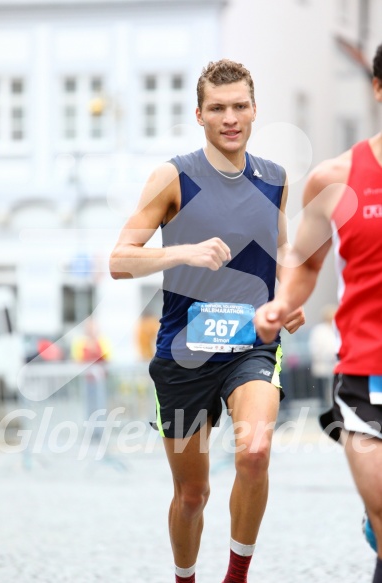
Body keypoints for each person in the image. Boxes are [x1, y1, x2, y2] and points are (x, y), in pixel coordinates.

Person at [110, 59, 304, 583]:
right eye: (217, 108)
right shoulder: (172, 177)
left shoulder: (275, 179)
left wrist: (289, 298)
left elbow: (283, 253)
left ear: (255, 110)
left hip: (253, 345)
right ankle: (185, 577)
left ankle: (236, 576)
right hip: (183, 352)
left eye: (240, 106)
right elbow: (119, 260)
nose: (230, 118)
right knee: (192, 495)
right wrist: (183, 254)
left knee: (256, 452)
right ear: (199, 114)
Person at [254, 44, 382, 583]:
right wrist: (283, 304)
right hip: (369, 376)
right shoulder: (336, 178)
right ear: (378, 88)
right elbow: (304, 263)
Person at [308, 304, 337, 406]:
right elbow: (315, 349)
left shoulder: (337, 329)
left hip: (335, 366)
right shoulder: (319, 331)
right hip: (323, 366)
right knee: (324, 392)